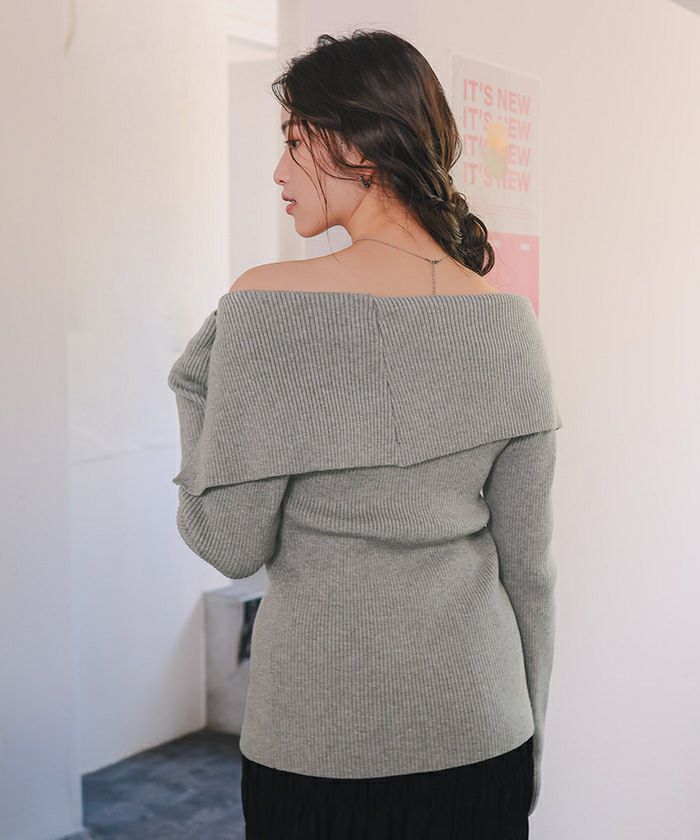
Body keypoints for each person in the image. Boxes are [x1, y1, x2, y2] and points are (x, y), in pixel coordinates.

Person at [167, 29, 563, 840]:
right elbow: (530, 573)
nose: (278, 172)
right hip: (482, 729)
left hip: (315, 740)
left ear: (357, 146)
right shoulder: (510, 324)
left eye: (292, 141)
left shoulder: (267, 305)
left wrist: (194, 386)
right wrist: (528, 742)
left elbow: (228, 541)